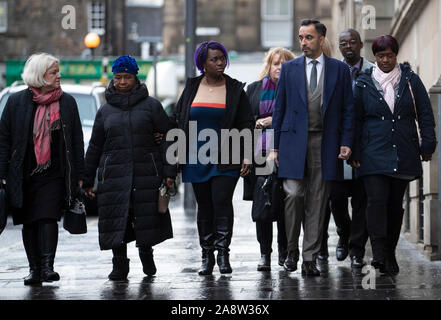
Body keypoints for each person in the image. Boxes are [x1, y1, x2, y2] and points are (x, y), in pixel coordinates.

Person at [271, 19, 354, 276]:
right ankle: (292, 250)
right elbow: (279, 110)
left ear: (321, 39)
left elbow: (348, 110)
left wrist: (346, 142)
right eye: (300, 37)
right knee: (294, 194)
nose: (303, 42)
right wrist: (275, 148)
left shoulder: (339, 70)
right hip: (293, 142)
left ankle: (309, 257)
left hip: (325, 143)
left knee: (318, 201)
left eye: (308, 37)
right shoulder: (290, 69)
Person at [84, 55, 176, 280]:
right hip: (114, 175)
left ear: (135, 78)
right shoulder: (104, 111)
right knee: (118, 219)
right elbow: (95, 146)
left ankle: (146, 254)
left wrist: (170, 173)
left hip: (146, 173)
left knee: (145, 218)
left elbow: (170, 137)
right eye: (118, 77)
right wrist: (86, 180)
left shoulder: (152, 106)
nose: (122, 82)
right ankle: (119, 264)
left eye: (127, 77)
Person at [351, 35, 436, 275]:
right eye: (380, 56)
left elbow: (425, 114)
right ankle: (378, 253)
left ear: (396, 55)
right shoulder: (364, 82)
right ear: (374, 57)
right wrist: (354, 150)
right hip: (372, 152)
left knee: (394, 205)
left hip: (402, 150)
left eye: (389, 55)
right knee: (376, 201)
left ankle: (389, 253)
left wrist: (428, 143)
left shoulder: (410, 80)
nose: (385, 60)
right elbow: (355, 120)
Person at [0, 53, 85, 285]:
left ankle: (48, 267)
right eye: (54, 72)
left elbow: (77, 140)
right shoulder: (16, 101)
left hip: (55, 173)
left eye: (58, 72)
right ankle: (34, 269)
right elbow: (4, 139)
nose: (59, 76)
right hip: (24, 172)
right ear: (40, 76)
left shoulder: (67, 102)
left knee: (48, 217)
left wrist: (79, 175)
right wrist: (3, 174)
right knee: (29, 220)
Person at [171, 41, 254, 275]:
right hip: (196, 156)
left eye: (222, 58)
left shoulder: (236, 89)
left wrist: (247, 154)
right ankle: (206, 255)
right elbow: (178, 118)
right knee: (204, 206)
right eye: (214, 59)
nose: (220, 63)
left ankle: (223, 253)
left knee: (222, 202)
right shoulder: (191, 87)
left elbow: (246, 122)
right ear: (202, 63)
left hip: (226, 156)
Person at [318, 29, 373, 270]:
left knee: (363, 199)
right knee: (336, 197)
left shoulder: (374, 71)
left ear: (361, 45)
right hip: (337, 145)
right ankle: (344, 232)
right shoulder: (332, 72)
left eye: (352, 42)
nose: (348, 46)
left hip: (366, 145)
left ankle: (357, 249)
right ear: (339, 48)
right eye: (343, 43)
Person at [244, 47, 295, 271]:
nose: (279, 67)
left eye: (284, 64)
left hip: (287, 154)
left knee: (285, 206)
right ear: (269, 65)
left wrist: (271, 120)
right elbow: (245, 123)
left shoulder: (296, 90)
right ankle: (265, 254)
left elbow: (296, 119)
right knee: (263, 206)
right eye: (276, 63)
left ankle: (284, 253)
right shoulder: (254, 89)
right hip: (260, 156)